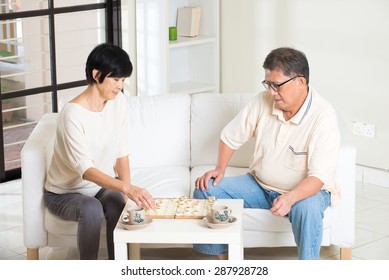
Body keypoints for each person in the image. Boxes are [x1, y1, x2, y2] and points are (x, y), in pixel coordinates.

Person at [193, 47, 340, 260]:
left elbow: (318, 178)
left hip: (305, 192)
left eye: (277, 85)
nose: (271, 92)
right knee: (205, 190)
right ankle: (225, 262)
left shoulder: (323, 117)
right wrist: (219, 169)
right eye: (268, 84)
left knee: (306, 209)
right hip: (260, 186)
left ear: (301, 82)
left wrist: (290, 198)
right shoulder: (262, 101)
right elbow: (229, 137)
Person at [44, 43, 155, 260]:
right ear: (97, 74)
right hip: (64, 193)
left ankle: (117, 267)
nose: (120, 86)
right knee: (92, 209)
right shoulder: (72, 114)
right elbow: (86, 170)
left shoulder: (118, 102)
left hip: (99, 187)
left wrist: (126, 192)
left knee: (117, 202)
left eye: (123, 80)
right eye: (116, 79)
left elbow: (121, 150)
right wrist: (126, 187)